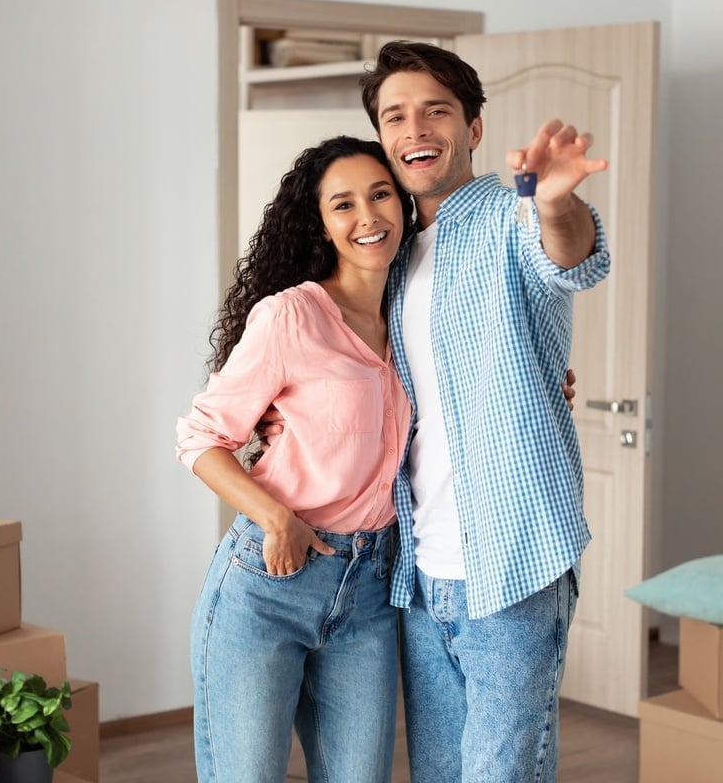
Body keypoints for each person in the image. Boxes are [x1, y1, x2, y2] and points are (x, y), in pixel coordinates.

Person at [359, 41, 612, 782]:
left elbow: (567, 255)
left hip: (509, 561)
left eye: (437, 110)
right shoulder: (394, 254)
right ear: (382, 139)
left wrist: (555, 202)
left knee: (502, 773)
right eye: (396, 116)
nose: (416, 129)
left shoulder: (511, 218)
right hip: (419, 568)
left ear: (472, 128)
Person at [175, 136, 415, 783]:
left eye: (380, 193)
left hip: (369, 589)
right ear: (324, 225)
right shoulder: (292, 316)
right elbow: (200, 438)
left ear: (403, 203)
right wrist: (278, 519)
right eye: (344, 204)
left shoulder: (417, 317)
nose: (368, 216)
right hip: (268, 582)